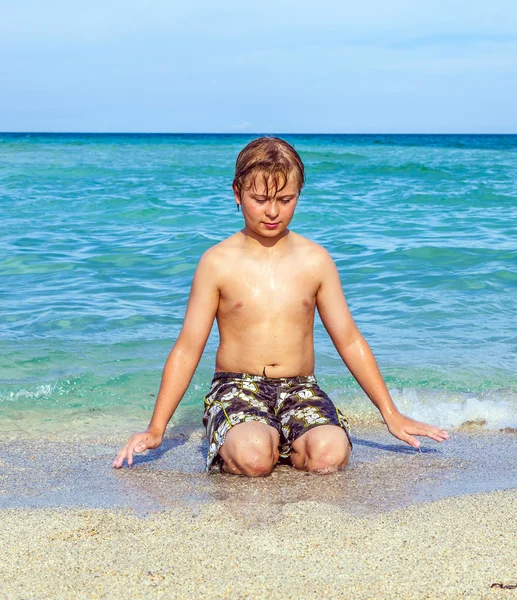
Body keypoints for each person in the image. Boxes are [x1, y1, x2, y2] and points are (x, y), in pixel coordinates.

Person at [113, 136, 449, 475]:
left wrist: (391, 414)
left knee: (329, 455)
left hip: (300, 387)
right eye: (259, 199)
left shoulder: (315, 261)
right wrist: (157, 428)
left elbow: (349, 340)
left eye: (285, 199)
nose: (273, 211)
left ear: (298, 196)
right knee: (253, 456)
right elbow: (188, 348)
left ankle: (285, 441)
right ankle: (261, 440)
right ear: (237, 194)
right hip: (237, 387)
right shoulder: (217, 263)